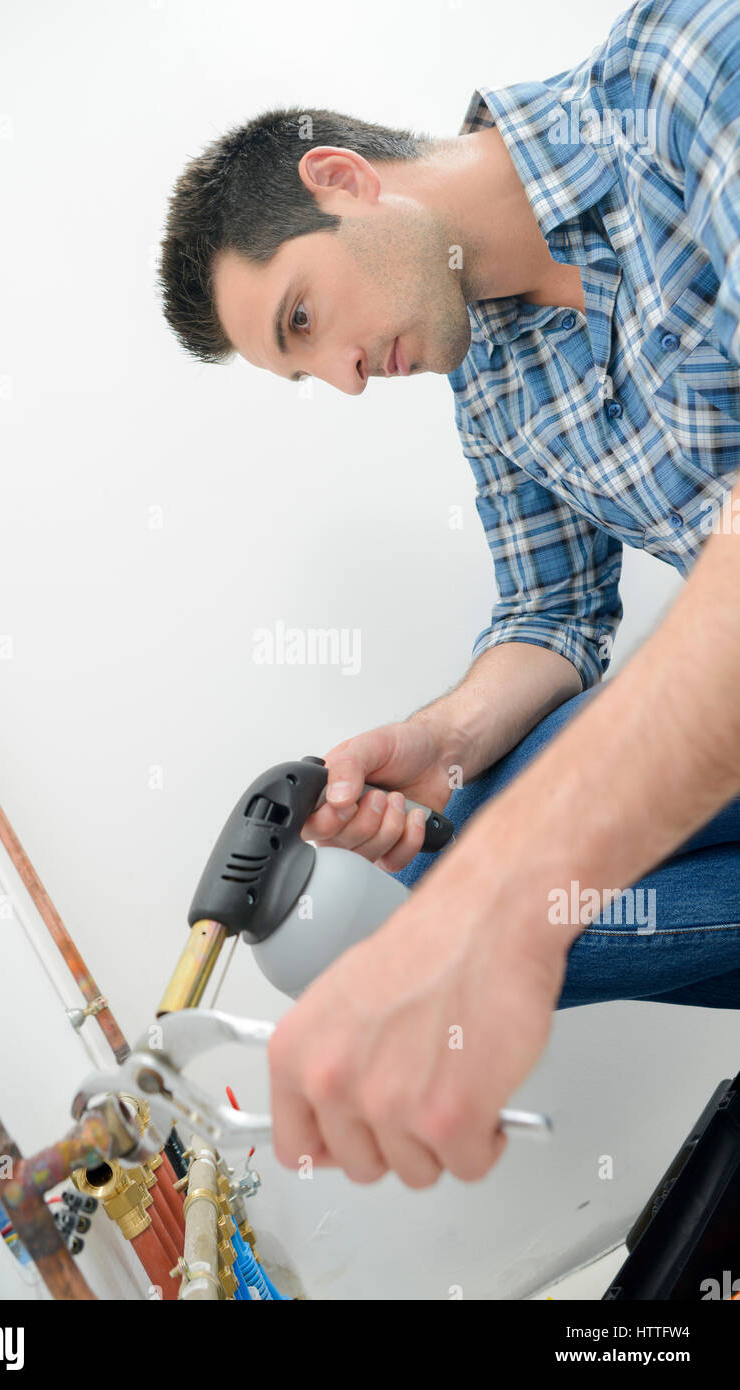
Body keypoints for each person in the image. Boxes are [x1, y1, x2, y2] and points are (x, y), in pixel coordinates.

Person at [158, 0, 740, 1188]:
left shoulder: (685, 78)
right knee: (435, 860)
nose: (346, 378)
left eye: (306, 318)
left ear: (343, 180)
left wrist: (507, 890)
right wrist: (442, 739)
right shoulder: (494, 388)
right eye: (304, 370)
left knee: (486, 893)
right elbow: (552, 617)